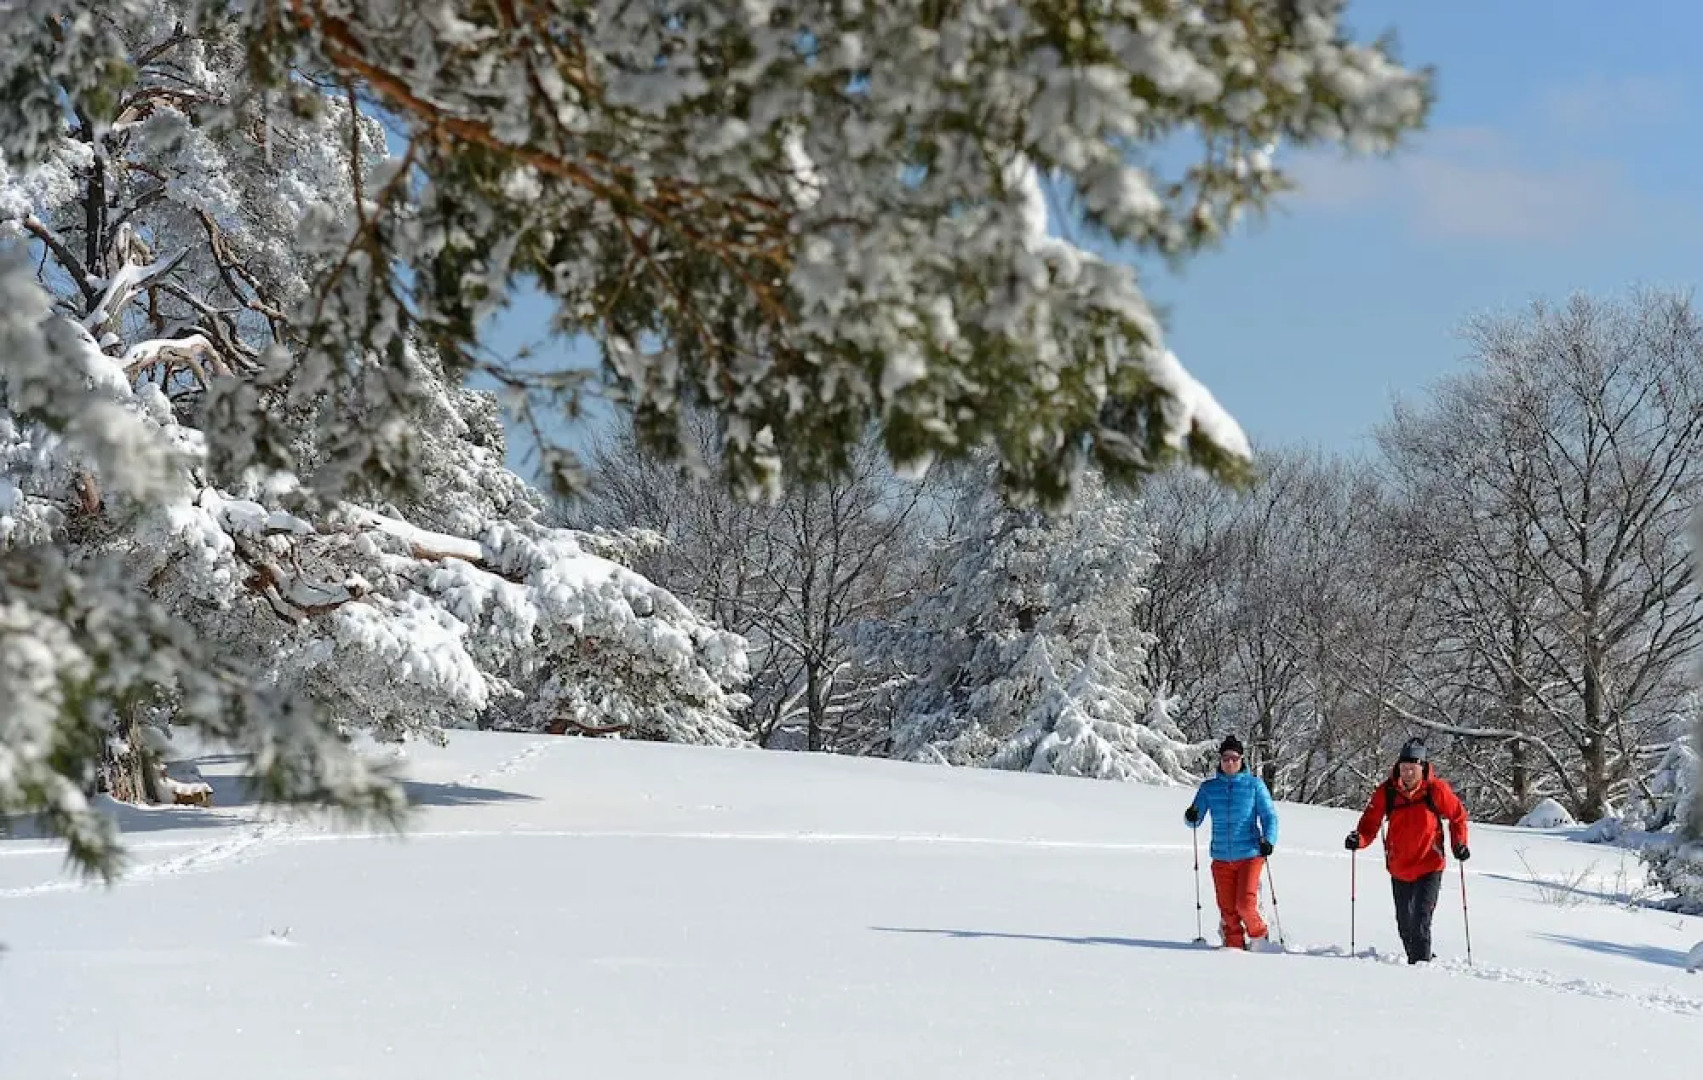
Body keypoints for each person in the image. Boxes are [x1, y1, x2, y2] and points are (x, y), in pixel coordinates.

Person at [1345, 737, 1471, 964]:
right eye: (1403, 768)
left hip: (1429, 864)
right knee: (1404, 923)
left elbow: (1458, 816)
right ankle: (1420, 960)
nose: (1407, 774)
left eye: (1412, 769)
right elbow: (1370, 822)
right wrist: (1359, 839)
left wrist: (1459, 845)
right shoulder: (1388, 791)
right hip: (1399, 865)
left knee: (1421, 920)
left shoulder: (1436, 790)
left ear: (1422, 767)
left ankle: (1420, 968)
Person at [1184, 735, 1279, 950]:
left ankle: (1259, 936)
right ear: (1220, 760)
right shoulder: (1209, 788)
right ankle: (1234, 948)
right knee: (1228, 911)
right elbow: (1194, 819)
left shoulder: (1254, 786)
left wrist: (1269, 840)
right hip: (1221, 857)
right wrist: (1190, 816)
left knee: (1244, 905)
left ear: (1241, 760)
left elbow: (1269, 816)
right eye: (1226, 758)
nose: (1229, 763)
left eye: (1234, 758)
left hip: (1250, 853)